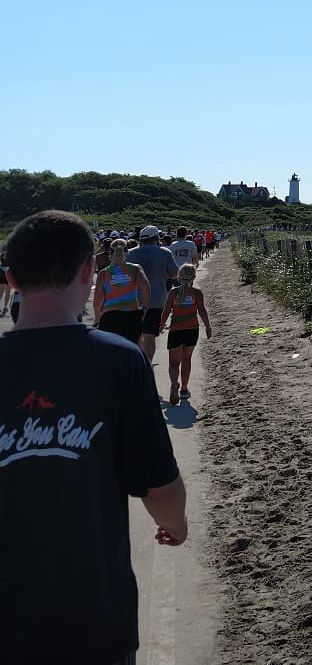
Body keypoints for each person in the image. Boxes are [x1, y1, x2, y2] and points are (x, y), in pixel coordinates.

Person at [0, 210, 187, 664]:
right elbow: (158, 486)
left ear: (10, 278)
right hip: (91, 614)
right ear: (88, 271)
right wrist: (175, 527)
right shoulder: (119, 361)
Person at [160, 263, 211, 405]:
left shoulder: (173, 292)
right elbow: (201, 310)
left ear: (179, 277)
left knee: (174, 363)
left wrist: (161, 325)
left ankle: (174, 384)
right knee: (186, 360)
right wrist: (208, 326)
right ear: (194, 277)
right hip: (192, 330)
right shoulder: (197, 293)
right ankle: (184, 388)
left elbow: (165, 312)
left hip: (176, 330)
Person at [126, 225, 178, 363]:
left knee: (136, 336)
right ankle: (147, 366)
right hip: (156, 300)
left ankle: (137, 365)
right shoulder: (165, 253)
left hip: (133, 301)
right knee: (149, 337)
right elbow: (174, 273)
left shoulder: (130, 253)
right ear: (156, 238)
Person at [94, 239, 151, 344]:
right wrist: (145, 308)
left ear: (110, 253)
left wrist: (98, 317)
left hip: (110, 315)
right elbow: (146, 287)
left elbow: (98, 298)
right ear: (127, 252)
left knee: (111, 352)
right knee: (133, 349)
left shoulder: (104, 273)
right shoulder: (135, 269)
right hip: (132, 314)